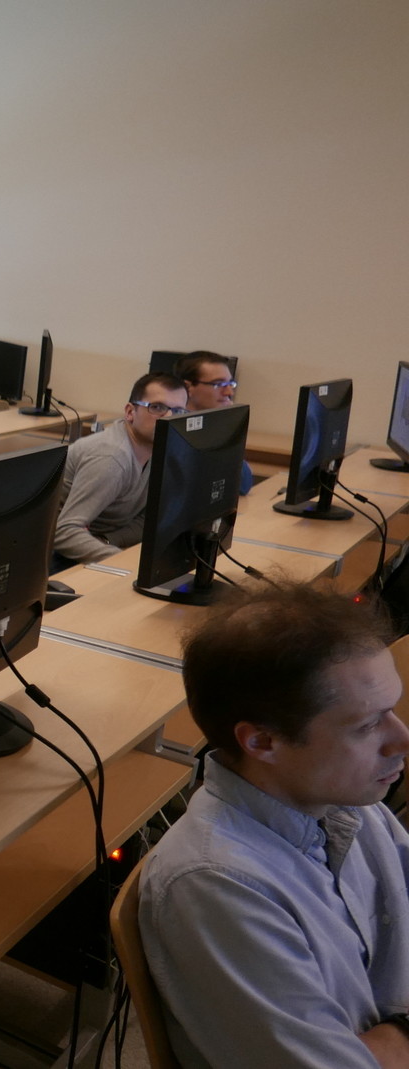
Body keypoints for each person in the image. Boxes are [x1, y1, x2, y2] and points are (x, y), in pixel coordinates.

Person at [140, 583, 409, 1068]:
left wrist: (393, 1040)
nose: (401, 739)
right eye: (367, 725)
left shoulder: (349, 804)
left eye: (392, 710)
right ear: (263, 742)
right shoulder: (217, 885)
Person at [52, 372, 188, 567]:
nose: (168, 417)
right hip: (51, 555)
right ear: (130, 412)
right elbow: (64, 532)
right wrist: (128, 566)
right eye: (157, 407)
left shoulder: (160, 450)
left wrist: (107, 541)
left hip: (91, 545)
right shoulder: (111, 458)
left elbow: (151, 520)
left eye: (178, 411)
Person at [175, 350, 255, 495]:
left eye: (230, 384)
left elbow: (243, 484)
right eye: (219, 384)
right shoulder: (175, 432)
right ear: (187, 388)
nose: (229, 392)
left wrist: (227, 424)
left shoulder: (213, 427)